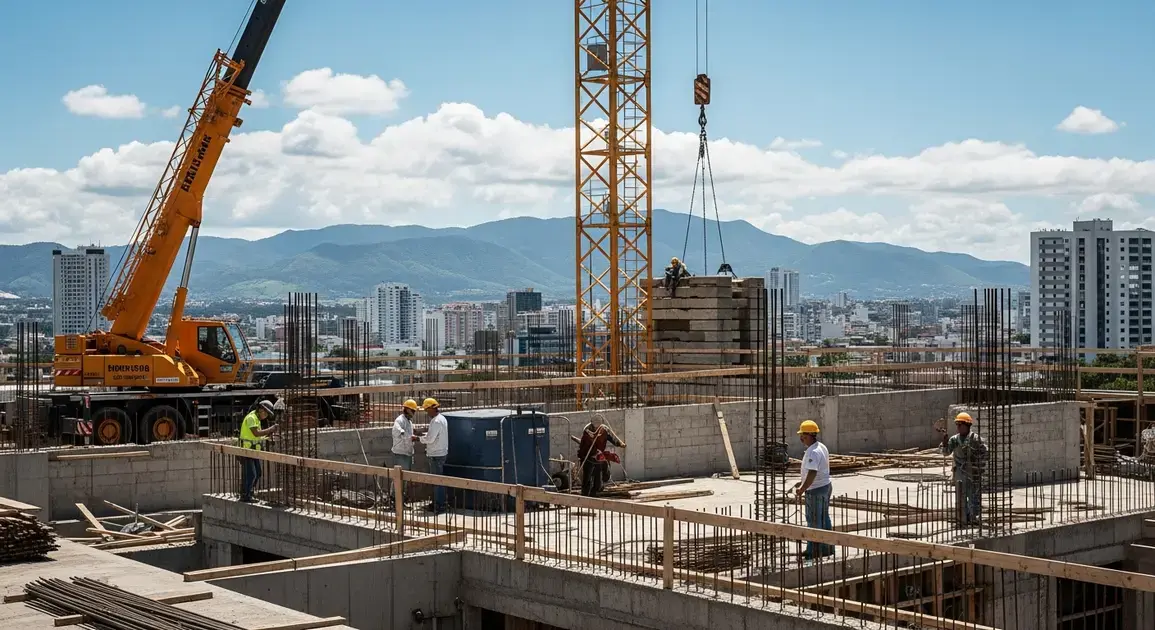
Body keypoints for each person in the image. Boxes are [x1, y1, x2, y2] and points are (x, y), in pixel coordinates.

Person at [939, 411, 988, 526]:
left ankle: (974, 519)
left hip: (972, 473)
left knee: (973, 496)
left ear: (967, 425)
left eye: (960, 425)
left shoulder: (975, 439)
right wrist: (945, 443)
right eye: (957, 425)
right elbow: (946, 453)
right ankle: (962, 519)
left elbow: (986, 453)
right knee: (960, 497)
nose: (958, 427)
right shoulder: (954, 440)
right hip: (959, 473)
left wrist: (977, 462)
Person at [794, 419, 833, 559]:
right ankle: (827, 548)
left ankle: (813, 551)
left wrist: (803, 488)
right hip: (825, 486)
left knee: (813, 521)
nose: (801, 438)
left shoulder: (813, 452)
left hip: (816, 490)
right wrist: (801, 483)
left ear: (810, 434)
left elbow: (812, 472)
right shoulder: (821, 447)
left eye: (803, 435)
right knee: (824, 518)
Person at [238, 400, 279, 503]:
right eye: (266, 413)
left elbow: (256, 436)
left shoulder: (256, 419)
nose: (266, 416)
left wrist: (266, 437)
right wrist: (270, 429)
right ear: (261, 410)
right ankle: (246, 495)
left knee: (258, 473)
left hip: (253, 450)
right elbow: (256, 433)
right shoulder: (252, 418)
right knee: (252, 474)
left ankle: (250, 493)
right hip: (247, 450)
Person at [576, 415, 626, 497]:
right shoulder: (587, 429)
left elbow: (612, 438)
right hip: (587, 457)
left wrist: (619, 444)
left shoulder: (604, 430)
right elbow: (585, 443)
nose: (597, 428)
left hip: (598, 457)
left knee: (598, 481)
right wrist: (593, 436)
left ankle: (594, 495)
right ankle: (584, 496)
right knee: (586, 479)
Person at [418, 398, 449, 513]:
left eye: (427, 410)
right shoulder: (442, 418)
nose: (427, 413)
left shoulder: (436, 421)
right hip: (441, 453)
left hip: (436, 455)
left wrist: (418, 438)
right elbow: (435, 435)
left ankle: (439, 505)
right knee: (438, 480)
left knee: (437, 481)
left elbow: (430, 439)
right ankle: (438, 503)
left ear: (432, 408)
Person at [388, 399, 419, 505]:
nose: (414, 413)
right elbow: (398, 430)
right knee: (398, 478)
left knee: (404, 479)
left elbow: (411, 433)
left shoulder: (409, 421)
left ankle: (401, 500)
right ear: (407, 409)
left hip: (408, 453)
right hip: (400, 453)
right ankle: (394, 499)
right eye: (412, 410)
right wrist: (407, 435)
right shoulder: (400, 420)